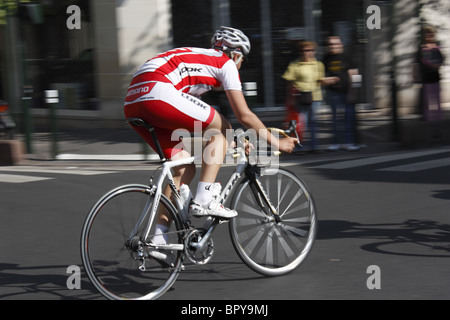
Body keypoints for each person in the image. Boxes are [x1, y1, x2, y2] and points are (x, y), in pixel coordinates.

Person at [124, 27, 297, 247]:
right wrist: (277, 141)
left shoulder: (199, 61)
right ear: (236, 54)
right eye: (242, 59)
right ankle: (205, 199)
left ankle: (159, 238)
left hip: (133, 101)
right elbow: (244, 114)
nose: (241, 65)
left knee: (183, 169)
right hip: (158, 91)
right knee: (222, 126)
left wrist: (233, 138)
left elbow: (193, 113)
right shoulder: (225, 63)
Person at [282, 41, 325, 153]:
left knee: (314, 123)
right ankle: (299, 147)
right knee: (301, 124)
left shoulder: (318, 64)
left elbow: (320, 80)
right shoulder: (295, 64)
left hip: (315, 97)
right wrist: (290, 96)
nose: (307, 53)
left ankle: (314, 146)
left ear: (314, 52)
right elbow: (289, 81)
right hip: (300, 97)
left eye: (310, 50)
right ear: (300, 52)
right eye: (304, 50)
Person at [322, 36, 360, 151]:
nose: (332, 46)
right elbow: (323, 75)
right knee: (334, 119)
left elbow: (356, 75)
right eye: (330, 44)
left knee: (349, 118)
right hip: (333, 92)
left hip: (347, 91)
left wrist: (354, 92)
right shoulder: (326, 57)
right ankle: (335, 143)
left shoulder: (348, 56)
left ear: (341, 44)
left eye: (335, 44)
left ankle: (350, 142)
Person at [416, 26, 444, 122]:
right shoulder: (421, 47)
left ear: (433, 35)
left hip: (435, 77)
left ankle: (439, 121)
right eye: (426, 34)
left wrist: (437, 65)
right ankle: (428, 121)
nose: (428, 35)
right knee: (427, 103)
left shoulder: (437, 47)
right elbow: (419, 61)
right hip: (426, 78)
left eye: (430, 34)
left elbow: (441, 59)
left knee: (437, 101)